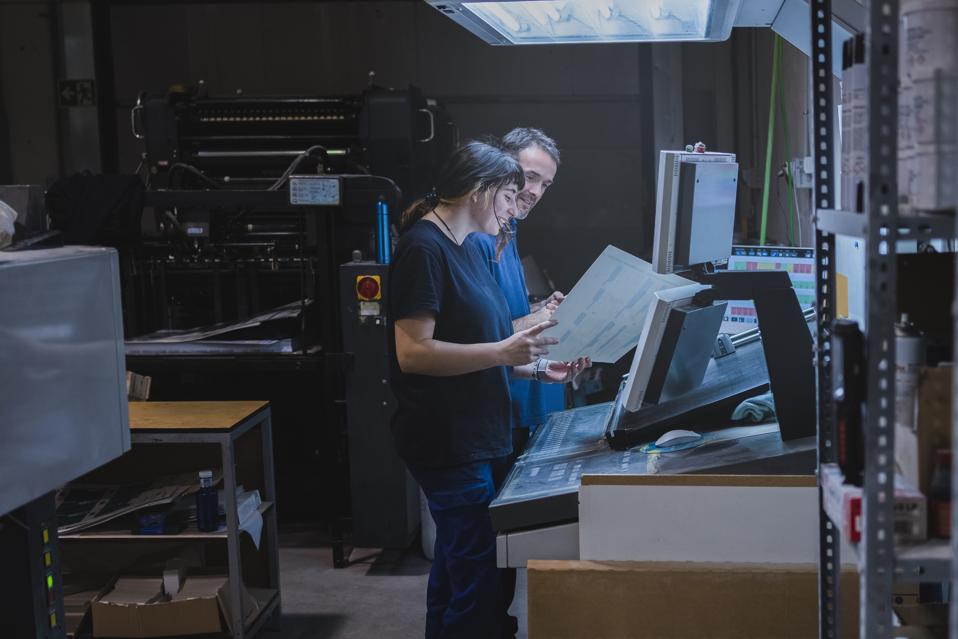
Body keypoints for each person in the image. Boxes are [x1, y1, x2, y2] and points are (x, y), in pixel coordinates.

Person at [389, 141, 587, 639]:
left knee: (462, 571)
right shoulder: (424, 248)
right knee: (478, 576)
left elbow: (483, 344)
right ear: (480, 192)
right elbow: (413, 353)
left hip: (479, 434)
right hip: (448, 442)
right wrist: (503, 354)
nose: (514, 207)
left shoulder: (469, 248)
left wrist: (536, 371)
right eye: (509, 195)